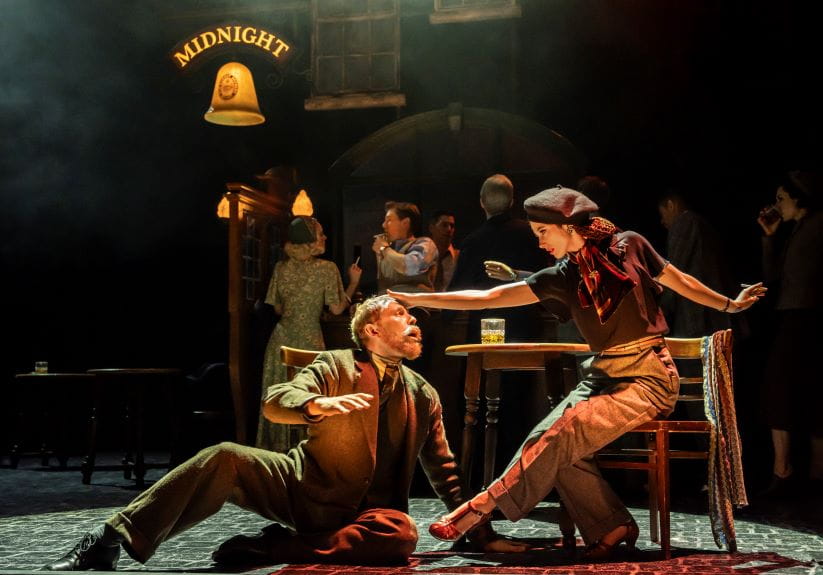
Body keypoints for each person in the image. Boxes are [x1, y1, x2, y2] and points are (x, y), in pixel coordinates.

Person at [389, 185, 765, 559]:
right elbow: (490, 297)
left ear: (567, 226)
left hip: (648, 378)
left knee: (562, 433)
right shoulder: (562, 276)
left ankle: (480, 508)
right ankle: (612, 525)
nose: (539, 243)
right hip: (602, 376)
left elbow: (678, 280)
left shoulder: (628, 244)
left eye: (542, 232)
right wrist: (419, 297)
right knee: (547, 440)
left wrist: (729, 304)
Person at [43, 295, 527, 571]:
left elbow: (444, 471)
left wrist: (479, 534)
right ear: (370, 331)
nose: (414, 321)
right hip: (302, 486)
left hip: (366, 514)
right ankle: (108, 541)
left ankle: (269, 547)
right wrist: (318, 403)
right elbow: (277, 401)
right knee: (223, 455)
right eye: (401, 314)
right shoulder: (335, 363)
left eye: (413, 315)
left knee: (401, 536)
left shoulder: (423, 394)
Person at [257, 216, 361, 452]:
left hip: (280, 340)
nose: (324, 237)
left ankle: (278, 453)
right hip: (309, 339)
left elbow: (278, 308)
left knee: (280, 395)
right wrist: (353, 282)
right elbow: (336, 309)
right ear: (310, 239)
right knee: (309, 395)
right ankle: (308, 453)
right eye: (320, 233)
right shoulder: (327, 268)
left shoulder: (280, 267)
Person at [756, 170, 823, 498]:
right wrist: (770, 237)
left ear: (800, 198)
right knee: (783, 388)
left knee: (801, 390)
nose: (777, 205)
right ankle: (788, 471)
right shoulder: (797, 230)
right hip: (792, 316)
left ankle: (805, 473)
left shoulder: (818, 226)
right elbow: (774, 279)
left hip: (809, 317)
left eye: (782, 198)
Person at [657, 190, 735, 337]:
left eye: (662, 214)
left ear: (670, 205)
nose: (662, 221)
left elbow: (675, 271)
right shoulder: (702, 224)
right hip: (715, 315)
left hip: (698, 318)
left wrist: (659, 310)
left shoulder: (685, 223)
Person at [372, 201, 438, 294]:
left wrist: (385, 249)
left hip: (417, 306)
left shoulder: (426, 244)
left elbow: (411, 267)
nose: (384, 225)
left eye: (389, 220)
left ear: (405, 223)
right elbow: (382, 287)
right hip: (390, 305)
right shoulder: (389, 250)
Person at [428, 210, 459, 292]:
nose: (449, 229)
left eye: (452, 226)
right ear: (431, 228)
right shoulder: (422, 256)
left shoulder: (459, 257)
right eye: (444, 225)